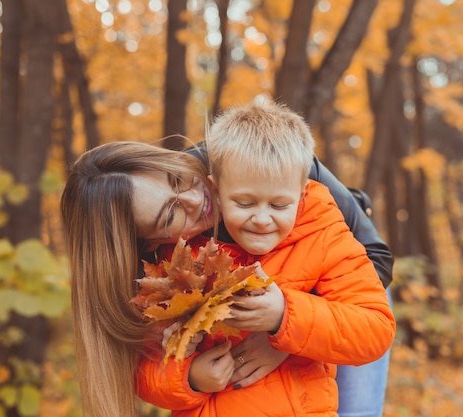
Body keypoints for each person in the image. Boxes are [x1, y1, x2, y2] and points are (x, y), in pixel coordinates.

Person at [60, 117, 394, 417]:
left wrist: (283, 329)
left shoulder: (257, 160)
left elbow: (374, 267)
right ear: (145, 242)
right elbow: (144, 367)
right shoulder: (159, 266)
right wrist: (187, 377)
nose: (196, 199)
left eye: (177, 180)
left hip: (348, 287)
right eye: (170, 215)